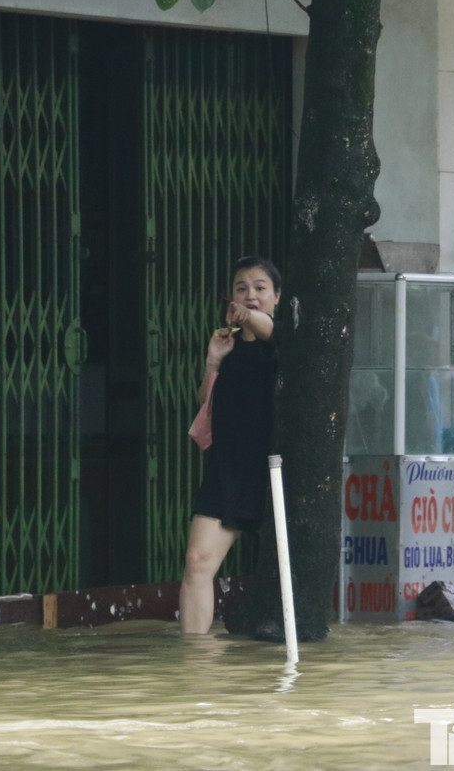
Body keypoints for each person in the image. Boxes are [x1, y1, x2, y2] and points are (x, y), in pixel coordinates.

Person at [179, 256, 282, 634]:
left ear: (276, 297)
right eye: (241, 287)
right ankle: (196, 663)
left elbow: (267, 328)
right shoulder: (229, 344)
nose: (250, 294)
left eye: (260, 288)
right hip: (227, 468)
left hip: (273, 470)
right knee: (197, 561)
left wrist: (247, 314)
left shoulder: (282, 336)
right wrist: (213, 361)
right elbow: (205, 399)